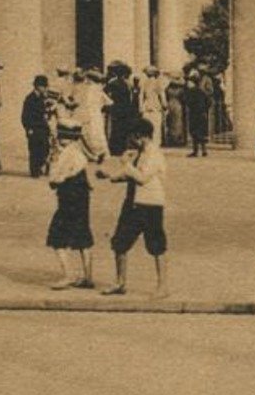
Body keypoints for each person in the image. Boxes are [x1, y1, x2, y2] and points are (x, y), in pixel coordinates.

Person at [97, 118, 170, 298]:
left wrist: (125, 164)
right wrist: (110, 176)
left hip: (150, 203)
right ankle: (120, 282)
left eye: (134, 138)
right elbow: (129, 175)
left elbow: (142, 178)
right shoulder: (140, 153)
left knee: (156, 245)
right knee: (119, 242)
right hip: (132, 202)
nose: (131, 142)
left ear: (142, 136)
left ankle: (163, 286)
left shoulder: (154, 155)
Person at [45, 121, 96, 289]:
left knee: (57, 236)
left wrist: (53, 171)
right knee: (83, 234)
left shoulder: (66, 155)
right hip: (82, 197)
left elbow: (56, 178)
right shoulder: (79, 153)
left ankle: (68, 274)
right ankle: (88, 276)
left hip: (68, 197)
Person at [21, 75, 54, 178]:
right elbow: (25, 115)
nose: (45, 88)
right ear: (37, 86)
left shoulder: (43, 98)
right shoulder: (30, 98)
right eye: (43, 86)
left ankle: (39, 166)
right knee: (34, 149)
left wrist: (48, 112)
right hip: (34, 128)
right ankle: (34, 171)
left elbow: (46, 113)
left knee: (45, 148)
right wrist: (28, 128)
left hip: (43, 128)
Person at [104, 61, 138, 156]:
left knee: (118, 129)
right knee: (120, 129)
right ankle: (119, 148)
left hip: (118, 109)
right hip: (122, 109)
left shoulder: (114, 83)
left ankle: (118, 148)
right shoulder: (125, 84)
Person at [184, 67, 211, 157]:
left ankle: (196, 150)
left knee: (195, 132)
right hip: (202, 113)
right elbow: (208, 102)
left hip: (195, 114)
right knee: (201, 132)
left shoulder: (192, 92)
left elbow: (187, 101)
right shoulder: (201, 92)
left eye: (189, 82)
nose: (188, 83)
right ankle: (203, 150)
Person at [139, 67, 167, 144]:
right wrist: (164, 105)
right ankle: (156, 142)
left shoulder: (144, 83)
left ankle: (148, 142)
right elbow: (162, 95)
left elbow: (141, 96)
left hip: (147, 105)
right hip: (156, 105)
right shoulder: (158, 83)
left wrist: (140, 107)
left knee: (147, 125)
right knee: (156, 126)